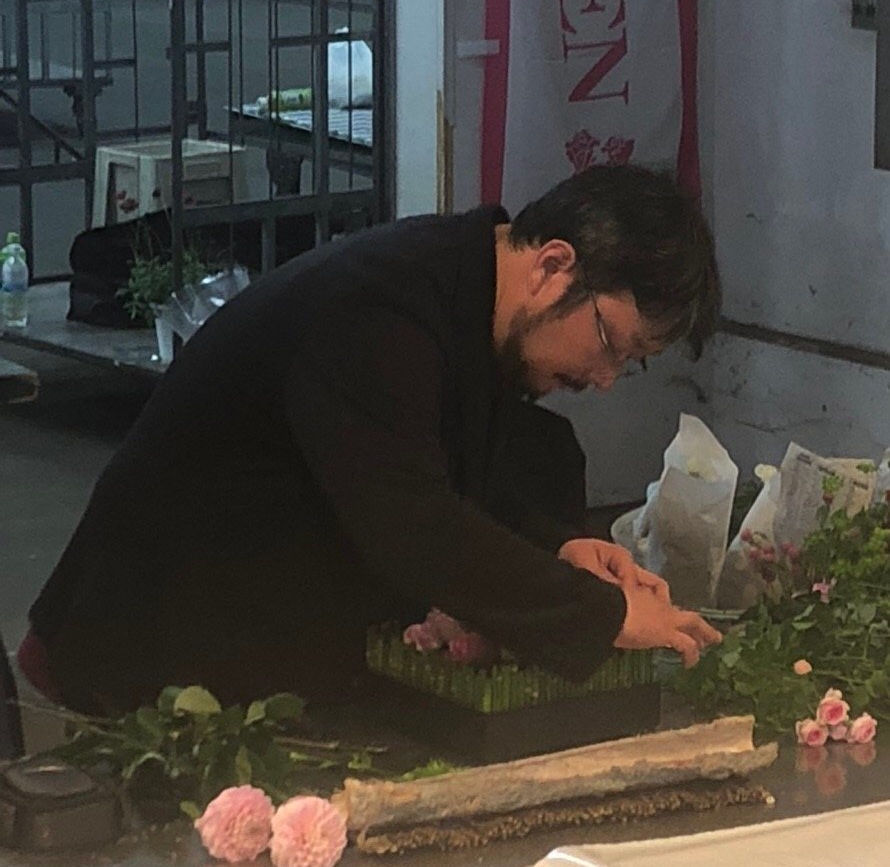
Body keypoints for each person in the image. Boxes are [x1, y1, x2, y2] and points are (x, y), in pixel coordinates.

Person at [24, 164, 721, 715]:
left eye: (630, 364)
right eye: (610, 343)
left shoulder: (465, 295)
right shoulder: (380, 310)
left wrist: (560, 549)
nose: (605, 378)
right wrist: (600, 615)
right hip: (146, 651)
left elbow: (443, 470)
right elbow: (412, 524)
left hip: (248, 643)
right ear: (552, 266)